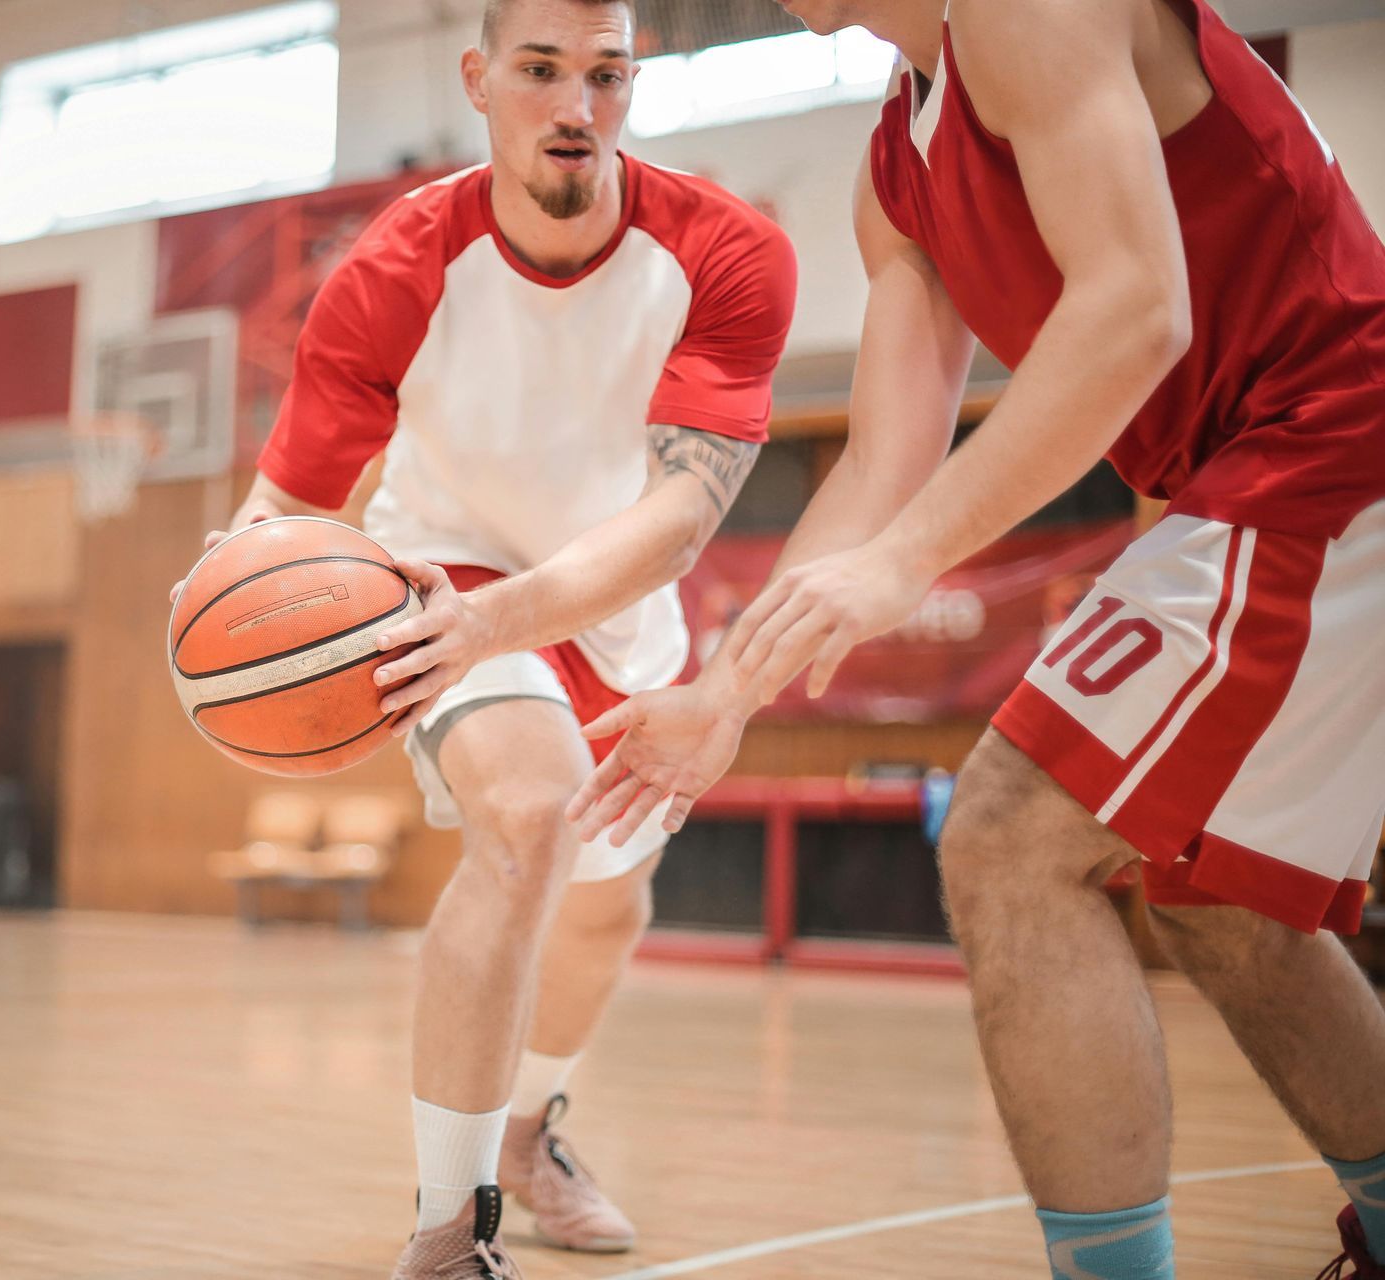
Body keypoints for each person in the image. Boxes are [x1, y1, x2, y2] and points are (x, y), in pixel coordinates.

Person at [568, 1, 1385, 1275]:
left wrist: (903, 565)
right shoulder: (898, 170)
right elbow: (883, 468)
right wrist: (725, 692)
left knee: (1007, 835)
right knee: (1223, 902)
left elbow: (1135, 312)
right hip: (1265, 471)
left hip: (1332, 437)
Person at [172, 0, 795, 1273]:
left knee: (609, 911)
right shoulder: (394, 266)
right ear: (479, 79)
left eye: (607, 75)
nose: (577, 106)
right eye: (543, 71)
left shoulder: (729, 253)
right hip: (442, 575)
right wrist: (220, 612)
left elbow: (684, 513)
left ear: (634, 84)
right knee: (532, 813)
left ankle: (524, 1134)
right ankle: (449, 1232)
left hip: (617, 594)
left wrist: (514, 616)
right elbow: (288, 501)